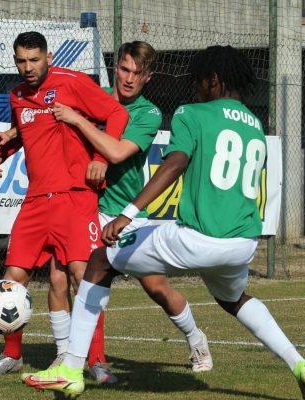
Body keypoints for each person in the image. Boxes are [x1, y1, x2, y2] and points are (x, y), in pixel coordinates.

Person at [21, 45, 305, 400]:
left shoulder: (190, 113)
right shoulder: (254, 123)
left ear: (213, 80)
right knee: (234, 300)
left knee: (100, 261)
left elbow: (175, 163)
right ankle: (300, 364)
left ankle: (71, 369)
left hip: (197, 236)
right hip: (242, 243)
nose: (195, 89)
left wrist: (128, 214)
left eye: (199, 81)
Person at [53, 40, 212, 374]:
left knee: (157, 288)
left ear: (148, 77)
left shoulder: (148, 113)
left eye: (137, 74)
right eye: (124, 69)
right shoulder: (92, 98)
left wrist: (81, 124)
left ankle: (196, 337)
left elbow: (116, 153)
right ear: (116, 68)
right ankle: (77, 358)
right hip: (85, 206)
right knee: (72, 277)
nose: (128, 79)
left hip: (126, 214)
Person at [0, 31, 129, 379]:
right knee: (12, 281)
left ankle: (96, 362)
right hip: (35, 201)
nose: (28, 67)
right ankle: (13, 354)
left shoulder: (72, 82)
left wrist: (101, 158)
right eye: (21, 61)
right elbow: (25, 131)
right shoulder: (18, 95)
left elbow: (116, 114)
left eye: (34, 59)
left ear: (48, 56)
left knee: (83, 277)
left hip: (75, 197)